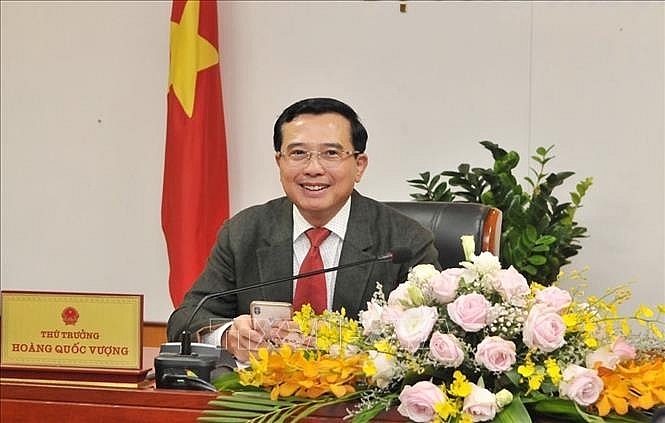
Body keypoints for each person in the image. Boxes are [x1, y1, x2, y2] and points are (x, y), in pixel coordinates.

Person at [167, 97, 440, 361]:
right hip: (263, 390)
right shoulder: (243, 233)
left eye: (330, 153)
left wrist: (347, 343)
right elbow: (186, 319)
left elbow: (434, 335)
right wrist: (227, 336)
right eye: (298, 153)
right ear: (279, 162)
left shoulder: (404, 241)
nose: (313, 169)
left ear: (359, 166)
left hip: (359, 389)